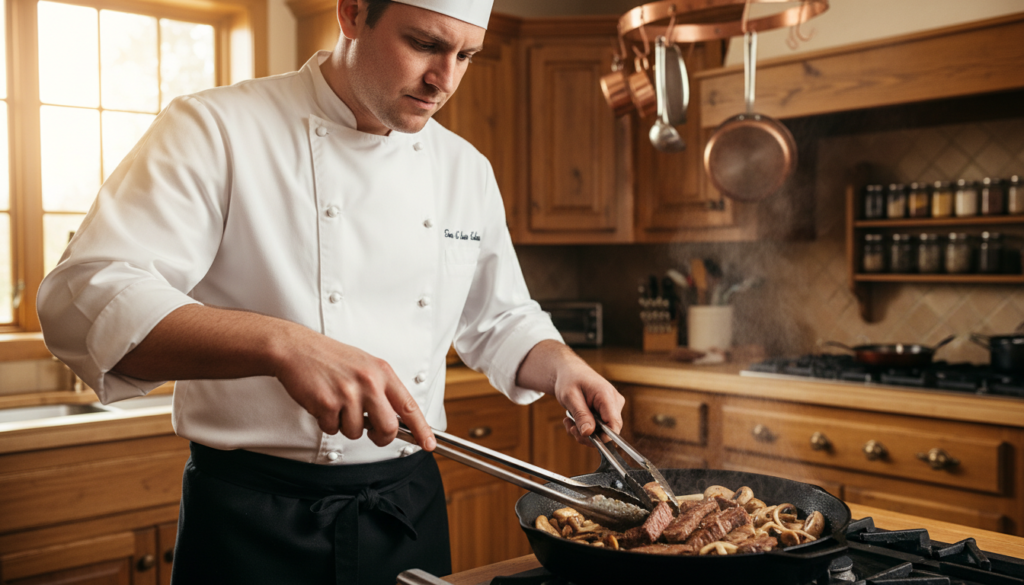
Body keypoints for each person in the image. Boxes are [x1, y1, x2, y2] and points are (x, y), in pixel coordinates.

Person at [36, 0, 625, 583]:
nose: (444, 80)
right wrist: (283, 344)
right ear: (351, 14)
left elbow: (501, 319)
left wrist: (562, 366)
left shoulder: (464, 168)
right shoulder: (216, 128)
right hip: (252, 519)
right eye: (424, 44)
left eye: (466, 55)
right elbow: (86, 296)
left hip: (407, 509)